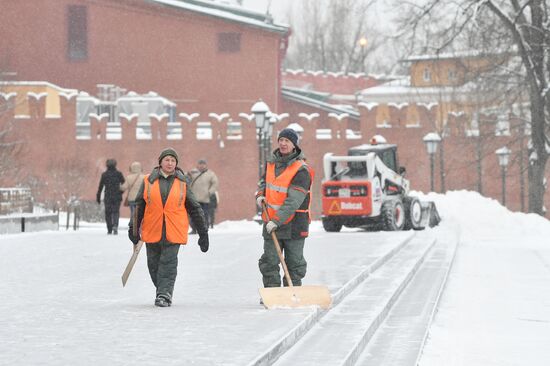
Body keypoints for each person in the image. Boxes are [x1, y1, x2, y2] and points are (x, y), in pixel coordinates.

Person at [128, 148, 209, 307]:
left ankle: (164, 294)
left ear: (176, 164)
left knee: (168, 263)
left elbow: (194, 207)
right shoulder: (148, 181)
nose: (170, 163)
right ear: (160, 162)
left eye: (173, 160)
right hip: (152, 229)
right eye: (167, 160)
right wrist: (133, 228)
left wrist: (203, 232)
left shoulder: (182, 182)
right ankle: (162, 290)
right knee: (153, 265)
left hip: (174, 230)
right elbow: (139, 207)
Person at [256, 128, 313, 289]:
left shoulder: (301, 170)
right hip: (271, 223)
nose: (282, 143)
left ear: (294, 145)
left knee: (294, 263)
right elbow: (263, 183)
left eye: (287, 140)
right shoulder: (271, 164)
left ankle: (292, 291)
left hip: (294, 223)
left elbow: (293, 201)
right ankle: (272, 291)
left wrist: (276, 220)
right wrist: (260, 195)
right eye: (281, 139)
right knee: (269, 261)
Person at [189, 159, 219, 233]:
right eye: (200, 164)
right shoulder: (193, 172)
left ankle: (203, 229)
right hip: (194, 199)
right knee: (193, 215)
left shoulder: (210, 174)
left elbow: (215, 183)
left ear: (206, 165)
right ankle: (194, 229)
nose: (201, 165)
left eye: (203, 164)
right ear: (197, 165)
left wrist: (210, 192)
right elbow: (186, 179)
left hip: (205, 199)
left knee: (204, 215)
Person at [96, 158, 125, 235]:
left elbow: (100, 186)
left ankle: (109, 228)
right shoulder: (119, 174)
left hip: (108, 195)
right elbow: (124, 184)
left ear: (107, 165)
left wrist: (98, 197)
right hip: (117, 196)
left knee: (108, 212)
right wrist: (121, 192)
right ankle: (115, 225)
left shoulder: (105, 174)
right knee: (116, 211)